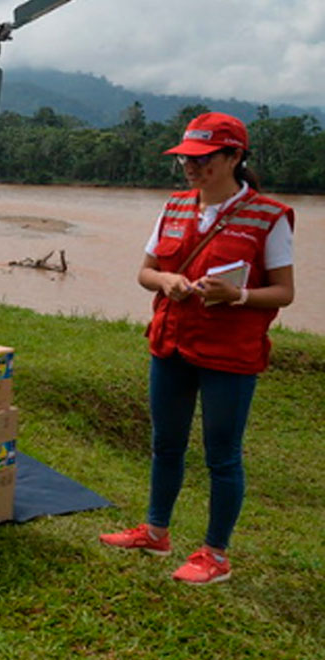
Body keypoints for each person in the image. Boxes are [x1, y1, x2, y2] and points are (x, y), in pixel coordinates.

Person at [99, 112, 294, 585]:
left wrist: (238, 296)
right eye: (186, 157)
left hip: (230, 355)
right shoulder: (175, 206)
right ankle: (156, 531)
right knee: (166, 444)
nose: (191, 166)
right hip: (170, 345)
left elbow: (284, 292)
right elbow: (146, 272)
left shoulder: (268, 217)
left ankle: (216, 555)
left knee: (222, 454)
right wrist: (166, 279)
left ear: (234, 157)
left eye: (203, 158)